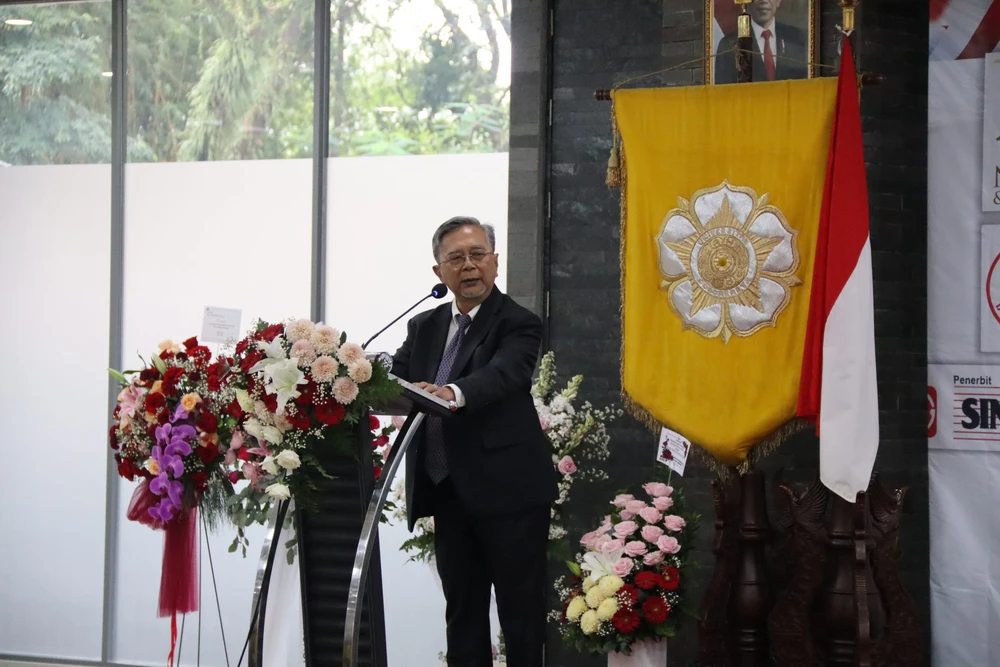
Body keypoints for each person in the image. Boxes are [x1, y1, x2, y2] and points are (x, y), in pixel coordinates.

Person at [391, 216, 558, 667]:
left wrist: (452, 393)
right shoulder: (423, 326)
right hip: (448, 491)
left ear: (496, 262)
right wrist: (353, 378)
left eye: (478, 254)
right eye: (456, 258)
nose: (469, 266)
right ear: (438, 273)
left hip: (510, 494)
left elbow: (505, 374)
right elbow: (396, 378)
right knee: (462, 611)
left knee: (519, 614)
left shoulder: (518, 322)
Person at [714, 0, 808, 84]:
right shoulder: (729, 44)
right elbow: (724, 93)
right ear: (748, 2)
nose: (763, 1)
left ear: (779, 1)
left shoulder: (794, 38)